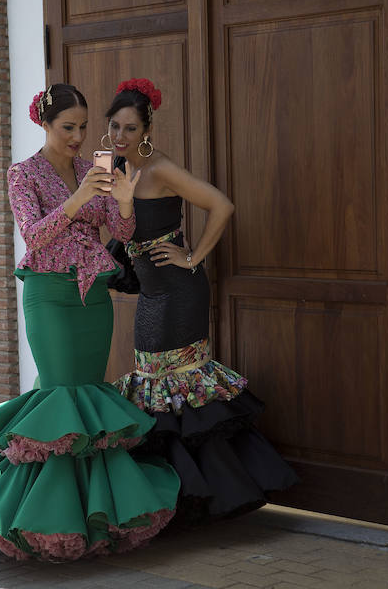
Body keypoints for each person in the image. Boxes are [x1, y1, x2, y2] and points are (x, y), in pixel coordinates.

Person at [0, 84, 180, 561]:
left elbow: (119, 234)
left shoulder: (95, 167)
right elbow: (34, 236)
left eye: (83, 126)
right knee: (59, 399)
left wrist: (124, 202)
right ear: (45, 123)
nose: (79, 136)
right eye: (69, 127)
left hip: (94, 298)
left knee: (88, 411)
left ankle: (89, 521)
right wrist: (80, 197)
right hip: (50, 295)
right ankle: (38, 520)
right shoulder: (23, 174)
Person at [108, 78, 298, 523]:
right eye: (114, 126)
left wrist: (192, 256)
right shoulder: (116, 170)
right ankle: (173, 498)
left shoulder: (161, 169)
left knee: (178, 389)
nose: (120, 136)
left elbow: (222, 205)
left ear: (147, 130)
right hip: (151, 294)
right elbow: (119, 230)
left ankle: (205, 499)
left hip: (179, 294)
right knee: (152, 387)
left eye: (130, 128)